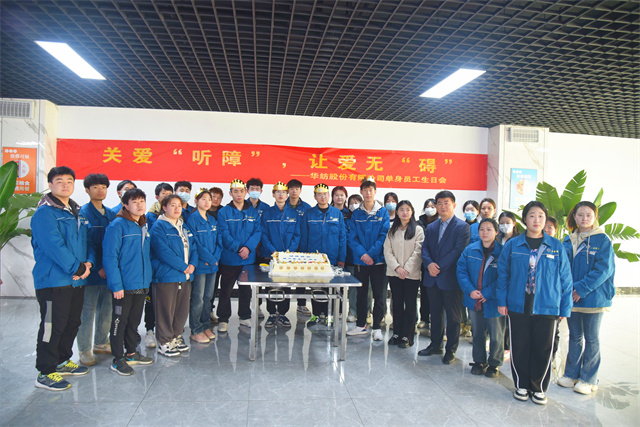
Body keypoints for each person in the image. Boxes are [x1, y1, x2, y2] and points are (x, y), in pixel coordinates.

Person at [497, 201, 573, 405]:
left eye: (541, 216)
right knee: (519, 347)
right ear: (524, 219)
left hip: (547, 305)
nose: (537, 220)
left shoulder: (556, 246)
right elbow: (503, 274)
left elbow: (566, 279)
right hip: (517, 304)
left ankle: (538, 387)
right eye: (532, 215)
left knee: (543, 348)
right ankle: (521, 385)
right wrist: (502, 301)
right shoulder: (513, 245)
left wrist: (565, 307)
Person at [31, 166, 93, 391]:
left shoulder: (76, 212)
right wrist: (78, 267)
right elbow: (53, 246)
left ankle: (62, 360)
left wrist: (89, 264)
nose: (65, 184)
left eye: (69, 181)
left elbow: (87, 242)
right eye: (59, 181)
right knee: (52, 326)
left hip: (76, 280)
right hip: (53, 281)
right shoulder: (44, 213)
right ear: (50, 185)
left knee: (72, 322)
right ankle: (45, 371)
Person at [558, 201, 615, 395]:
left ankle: (589, 379)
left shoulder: (602, 240)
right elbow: (563, 268)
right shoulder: (568, 240)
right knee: (575, 337)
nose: (584, 218)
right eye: (580, 214)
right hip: (572, 298)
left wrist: (580, 289)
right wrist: (568, 291)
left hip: (593, 298)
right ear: (574, 216)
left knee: (591, 338)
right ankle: (571, 375)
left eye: (588, 215)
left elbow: (603, 270)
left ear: (595, 217)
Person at [103, 188, 154, 375]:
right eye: (135, 202)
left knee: (134, 322)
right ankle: (117, 359)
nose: (139, 205)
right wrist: (116, 285)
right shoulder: (117, 225)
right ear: (125, 204)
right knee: (119, 323)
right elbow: (110, 258)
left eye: (142, 201)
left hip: (141, 284)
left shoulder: (143, 225)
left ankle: (131, 353)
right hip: (123, 287)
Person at [418, 190, 470, 365]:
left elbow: (458, 251)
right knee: (435, 314)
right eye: (439, 203)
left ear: (454, 205)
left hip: (450, 278)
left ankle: (451, 350)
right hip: (432, 278)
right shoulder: (432, 227)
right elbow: (425, 248)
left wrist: (437, 267)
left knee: (453, 317)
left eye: (446, 203)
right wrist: (429, 264)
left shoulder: (462, 227)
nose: (442, 206)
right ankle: (435, 345)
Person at [150, 194, 198, 356]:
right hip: (167, 276)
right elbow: (163, 251)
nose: (177, 208)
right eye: (172, 205)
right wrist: (183, 266)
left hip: (185, 276)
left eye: (179, 205)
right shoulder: (159, 227)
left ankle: (176, 337)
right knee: (165, 310)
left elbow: (193, 247)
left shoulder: (183, 226)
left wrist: (192, 264)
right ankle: (164, 341)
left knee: (181, 310)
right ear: (164, 207)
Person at [456, 218, 505, 377]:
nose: (485, 232)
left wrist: (487, 292)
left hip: (494, 301)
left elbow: (504, 276)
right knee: (477, 333)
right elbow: (461, 270)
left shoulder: (502, 252)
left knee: (496, 334)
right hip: (474, 299)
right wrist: (470, 290)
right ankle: (479, 361)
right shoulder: (470, 250)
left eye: (489, 229)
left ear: (496, 232)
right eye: (482, 229)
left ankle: (494, 363)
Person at [77, 173, 117, 366]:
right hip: (91, 272)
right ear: (87, 190)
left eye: (103, 186)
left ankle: (101, 342)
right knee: (88, 311)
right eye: (95, 187)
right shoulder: (82, 214)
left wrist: (109, 267)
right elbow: (84, 243)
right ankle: (84, 349)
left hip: (109, 272)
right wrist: (98, 266)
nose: (100, 190)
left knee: (107, 309)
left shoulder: (110, 214)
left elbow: (113, 244)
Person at [346, 177, 390, 341]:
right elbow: (352, 237)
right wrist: (363, 255)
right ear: (361, 192)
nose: (368, 193)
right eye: (365, 190)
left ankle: (377, 327)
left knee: (379, 295)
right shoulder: (356, 214)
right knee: (361, 295)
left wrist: (370, 254)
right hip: (361, 261)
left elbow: (384, 235)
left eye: (371, 190)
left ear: (375, 192)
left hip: (378, 261)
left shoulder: (382, 212)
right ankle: (361, 325)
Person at [217, 179, 262, 332]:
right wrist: (238, 248)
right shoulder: (224, 212)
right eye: (235, 191)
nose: (239, 194)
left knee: (245, 291)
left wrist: (248, 248)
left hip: (247, 259)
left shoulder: (253, 212)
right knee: (226, 290)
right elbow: (223, 233)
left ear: (246, 192)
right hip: (229, 258)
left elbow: (257, 231)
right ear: (230, 193)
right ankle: (223, 319)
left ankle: (244, 316)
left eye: (241, 191)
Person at [300, 183, 346, 327]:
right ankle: (316, 315)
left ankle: (328, 315)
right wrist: (303, 258)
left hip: (332, 259)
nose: (322, 197)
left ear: (328, 196)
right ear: (315, 196)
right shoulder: (308, 214)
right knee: (316, 288)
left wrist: (341, 258)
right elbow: (304, 238)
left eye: (325, 194)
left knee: (330, 288)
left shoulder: (337, 214)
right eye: (319, 194)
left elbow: (342, 237)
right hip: (313, 260)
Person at [260, 181, 301, 328]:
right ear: (273, 194)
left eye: (284, 192)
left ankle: (283, 314)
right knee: (271, 285)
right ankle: (271, 313)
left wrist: (289, 251)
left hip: (288, 257)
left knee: (286, 285)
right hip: (271, 255)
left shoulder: (294, 214)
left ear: (287, 194)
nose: (281, 195)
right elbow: (263, 234)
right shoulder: (267, 213)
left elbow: (297, 235)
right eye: (278, 192)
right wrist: (273, 251)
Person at [384, 200, 424, 348]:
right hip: (394, 274)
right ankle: (396, 333)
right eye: (401, 209)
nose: (404, 212)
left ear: (412, 211)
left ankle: (407, 336)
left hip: (411, 275)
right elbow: (387, 251)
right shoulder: (392, 231)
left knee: (410, 305)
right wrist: (397, 268)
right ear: (397, 212)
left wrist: (406, 269)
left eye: (408, 209)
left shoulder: (418, 230)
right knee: (397, 304)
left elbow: (418, 251)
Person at [186, 189, 222, 343]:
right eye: (203, 199)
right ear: (196, 201)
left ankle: (206, 325)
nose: (207, 202)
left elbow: (219, 241)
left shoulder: (212, 220)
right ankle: (196, 329)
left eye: (209, 199)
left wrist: (215, 258)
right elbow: (194, 243)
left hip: (213, 265)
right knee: (198, 298)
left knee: (208, 297)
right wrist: (209, 258)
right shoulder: (192, 220)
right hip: (201, 265)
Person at [143, 182, 173, 348]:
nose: (167, 196)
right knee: (151, 301)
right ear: (157, 197)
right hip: (154, 266)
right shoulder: (150, 216)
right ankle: (149, 330)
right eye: (164, 194)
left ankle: (168, 332)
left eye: (169, 193)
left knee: (168, 302)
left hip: (171, 269)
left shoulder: (176, 216)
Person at [286, 178, 313, 316]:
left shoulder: (307, 208)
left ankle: (301, 305)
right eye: (291, 188)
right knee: (284, 278)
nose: (294, 191)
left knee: (302, 277)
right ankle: (282, 308)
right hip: (286, 247)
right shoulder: (282, 205)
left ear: (300, 190)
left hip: (302, 247)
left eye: (297, 188)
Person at [345, 194, 368, 323]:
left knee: (367, 287)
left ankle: (367, 311)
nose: (354, 205)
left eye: (357, 202)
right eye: (351, 203)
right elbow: (349, 239)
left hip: (366, 258)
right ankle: (352, 311)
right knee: (353, 288)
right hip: (351, 258)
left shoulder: (366, 218)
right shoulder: (347, 219)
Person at [416, 197, 437, 332]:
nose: (430, 209)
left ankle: (434, 319)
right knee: (424, 292)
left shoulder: (440, 223)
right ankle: (424, 318)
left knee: (436, 294)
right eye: (428, 206)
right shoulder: (419, 223)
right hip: (423, 262)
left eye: (433, 206)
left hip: (437, 264)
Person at [208, 186, 225, 324]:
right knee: (205, 288)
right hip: (206, 257)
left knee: (216, 286)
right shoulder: (201, 211)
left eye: (219, 197)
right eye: (213, 196)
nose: (216, 199)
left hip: (221, 255)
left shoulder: (223, 212)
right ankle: (204, 312)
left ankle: (211, 311)